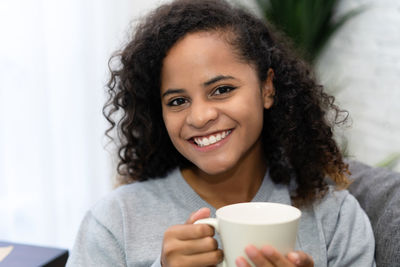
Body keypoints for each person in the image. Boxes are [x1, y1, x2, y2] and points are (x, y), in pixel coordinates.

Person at [67, 0, 376, 266]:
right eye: (177, 101)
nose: (200, 117)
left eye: (222, 90)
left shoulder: (333, 217)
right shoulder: (114, 221)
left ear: (267, 88)